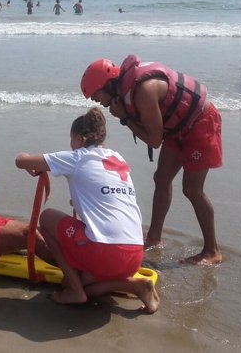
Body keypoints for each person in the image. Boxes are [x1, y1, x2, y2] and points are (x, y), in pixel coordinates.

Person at [80, 55, 223, 265]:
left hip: (200, 123)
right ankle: (154, 237)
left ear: (108, 84)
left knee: (192, 189)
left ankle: (212, 251)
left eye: (96, 95)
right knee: (162, 178)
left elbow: (154, 141)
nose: (96, 101)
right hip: (179, 127)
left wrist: (125, 118)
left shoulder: (144, 92)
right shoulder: (127, 91)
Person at [15, 108, 159, 311]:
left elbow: (21, 161)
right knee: (81, 286)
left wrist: (24, 155)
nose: (70, 144)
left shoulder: (77, 157)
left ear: (80, 139)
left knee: (47, 217)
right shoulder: (118, 158)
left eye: (71, 139)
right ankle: (135, 285)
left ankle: (75, 290)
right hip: (134, 254)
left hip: (105, 252)